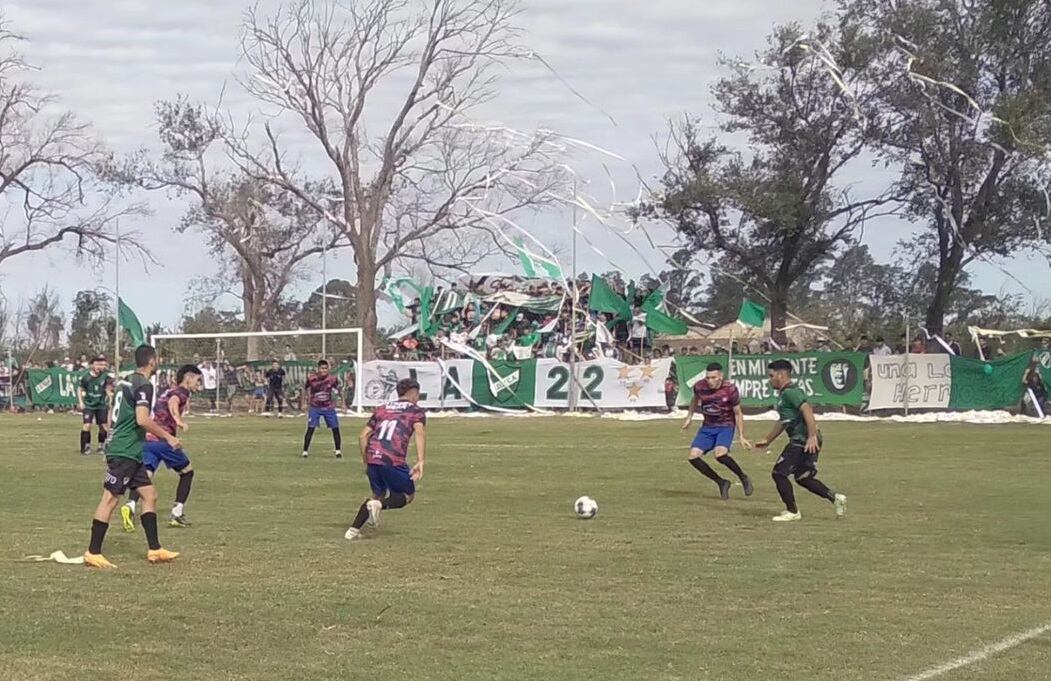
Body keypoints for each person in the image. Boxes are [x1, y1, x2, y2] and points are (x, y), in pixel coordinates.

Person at [83, 345, 180, 568]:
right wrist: (168, 437)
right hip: (124, 451)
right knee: (110, 498)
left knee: (149, 494)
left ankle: (155, 550)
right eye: (158, 359)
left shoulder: (124, 382)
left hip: (131, 450)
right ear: (152, 361)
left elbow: (111, 414)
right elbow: (142, 419)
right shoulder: (144, 385)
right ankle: (93, 551)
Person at [755, 359, 846, 522]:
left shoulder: (791, 392)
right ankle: (835, 497)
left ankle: (792, 511)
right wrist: (767, 440)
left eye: (771, 375)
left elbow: (807, 410)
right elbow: (784, 422)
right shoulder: (784, 394)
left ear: (781, 375)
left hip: (802, 440)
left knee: (779, 473)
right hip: (804, 439)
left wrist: (811, 436)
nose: (769, 380)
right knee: (803, 477)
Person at [344, 378, 427, 541]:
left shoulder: (382, 409)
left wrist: (366, 462)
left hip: (372, 456)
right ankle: (379, 506)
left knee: (378, 493)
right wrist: (420, 460)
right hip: (392, 459)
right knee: (407, 496)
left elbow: (362, 436)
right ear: (414, 394)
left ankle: (352, 531)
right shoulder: (415, 411)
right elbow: (419, 432)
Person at [123, 364, 202, 530]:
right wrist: (178, 420)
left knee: (146, 475)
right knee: (187, 472)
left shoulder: (168, 390)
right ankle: (177, 513)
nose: (198, 384)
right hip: (164, 440)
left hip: (149, 438)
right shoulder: (181, 392)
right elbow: (173, 404)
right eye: (197, 380)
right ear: (188, 378)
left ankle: (130, 505)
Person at [680, 362, 754, 500]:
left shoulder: (730, 389)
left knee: (720, 455)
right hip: (707, 427)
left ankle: (742, 476)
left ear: (721, 377)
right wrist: (689, 417)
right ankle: (721, 482)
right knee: (693, 456)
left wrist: (742, 436)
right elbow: (694, 400)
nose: (709, 381)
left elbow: (738, 413)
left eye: (713, 377)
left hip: (725, 426)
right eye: (708, 377)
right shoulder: (699, 386)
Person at [301, 360, 342, 459]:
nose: (323, 370)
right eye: (322, 368)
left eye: (325, 368)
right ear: (318, 369)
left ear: (328, 369)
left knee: (335, 428)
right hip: (315, 407)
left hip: (328, 407)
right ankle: (305, 451)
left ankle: (338, 451)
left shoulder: (332, 379)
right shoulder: (312, 379)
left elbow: (340, 389)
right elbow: (304, 388)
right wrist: (304, 402)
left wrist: (343, 403)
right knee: (311, 428)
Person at [77, 355, 112, 455]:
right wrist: (81, 402)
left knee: (103, 426)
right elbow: (80, 388)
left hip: (101, 405)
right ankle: (85, 447)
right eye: (98, 364)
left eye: (102, 365)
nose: (100, 367)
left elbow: (108, 389)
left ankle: (102, 446)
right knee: (87, 425)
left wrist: (110, 399)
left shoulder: (105, 376)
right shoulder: (86, 377)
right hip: (89, 405)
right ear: (92, 365)